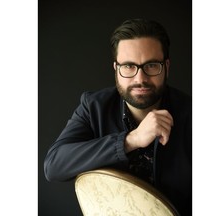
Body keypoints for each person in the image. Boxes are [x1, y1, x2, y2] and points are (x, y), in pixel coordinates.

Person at [44, 18, 192, 215]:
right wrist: (131, 140)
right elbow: (54, 166)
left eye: (151, 65)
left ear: (166, 66)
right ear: (116, 69)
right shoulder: (93, 106)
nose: (140, 78)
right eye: (129, 66)